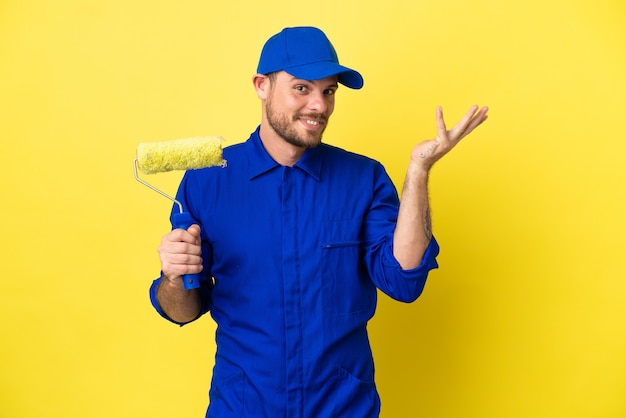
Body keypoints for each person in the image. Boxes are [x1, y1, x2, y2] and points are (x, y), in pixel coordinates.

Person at [149, 26, 488, 417]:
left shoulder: (364, 178)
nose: (319, 106)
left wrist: (419, 171)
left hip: (342, 407)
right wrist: (174, 276)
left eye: (328, 91)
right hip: (243, 406)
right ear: (262, 86)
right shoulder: (206, 179)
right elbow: (183, 310)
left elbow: (404, 281)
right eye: (302, 88)